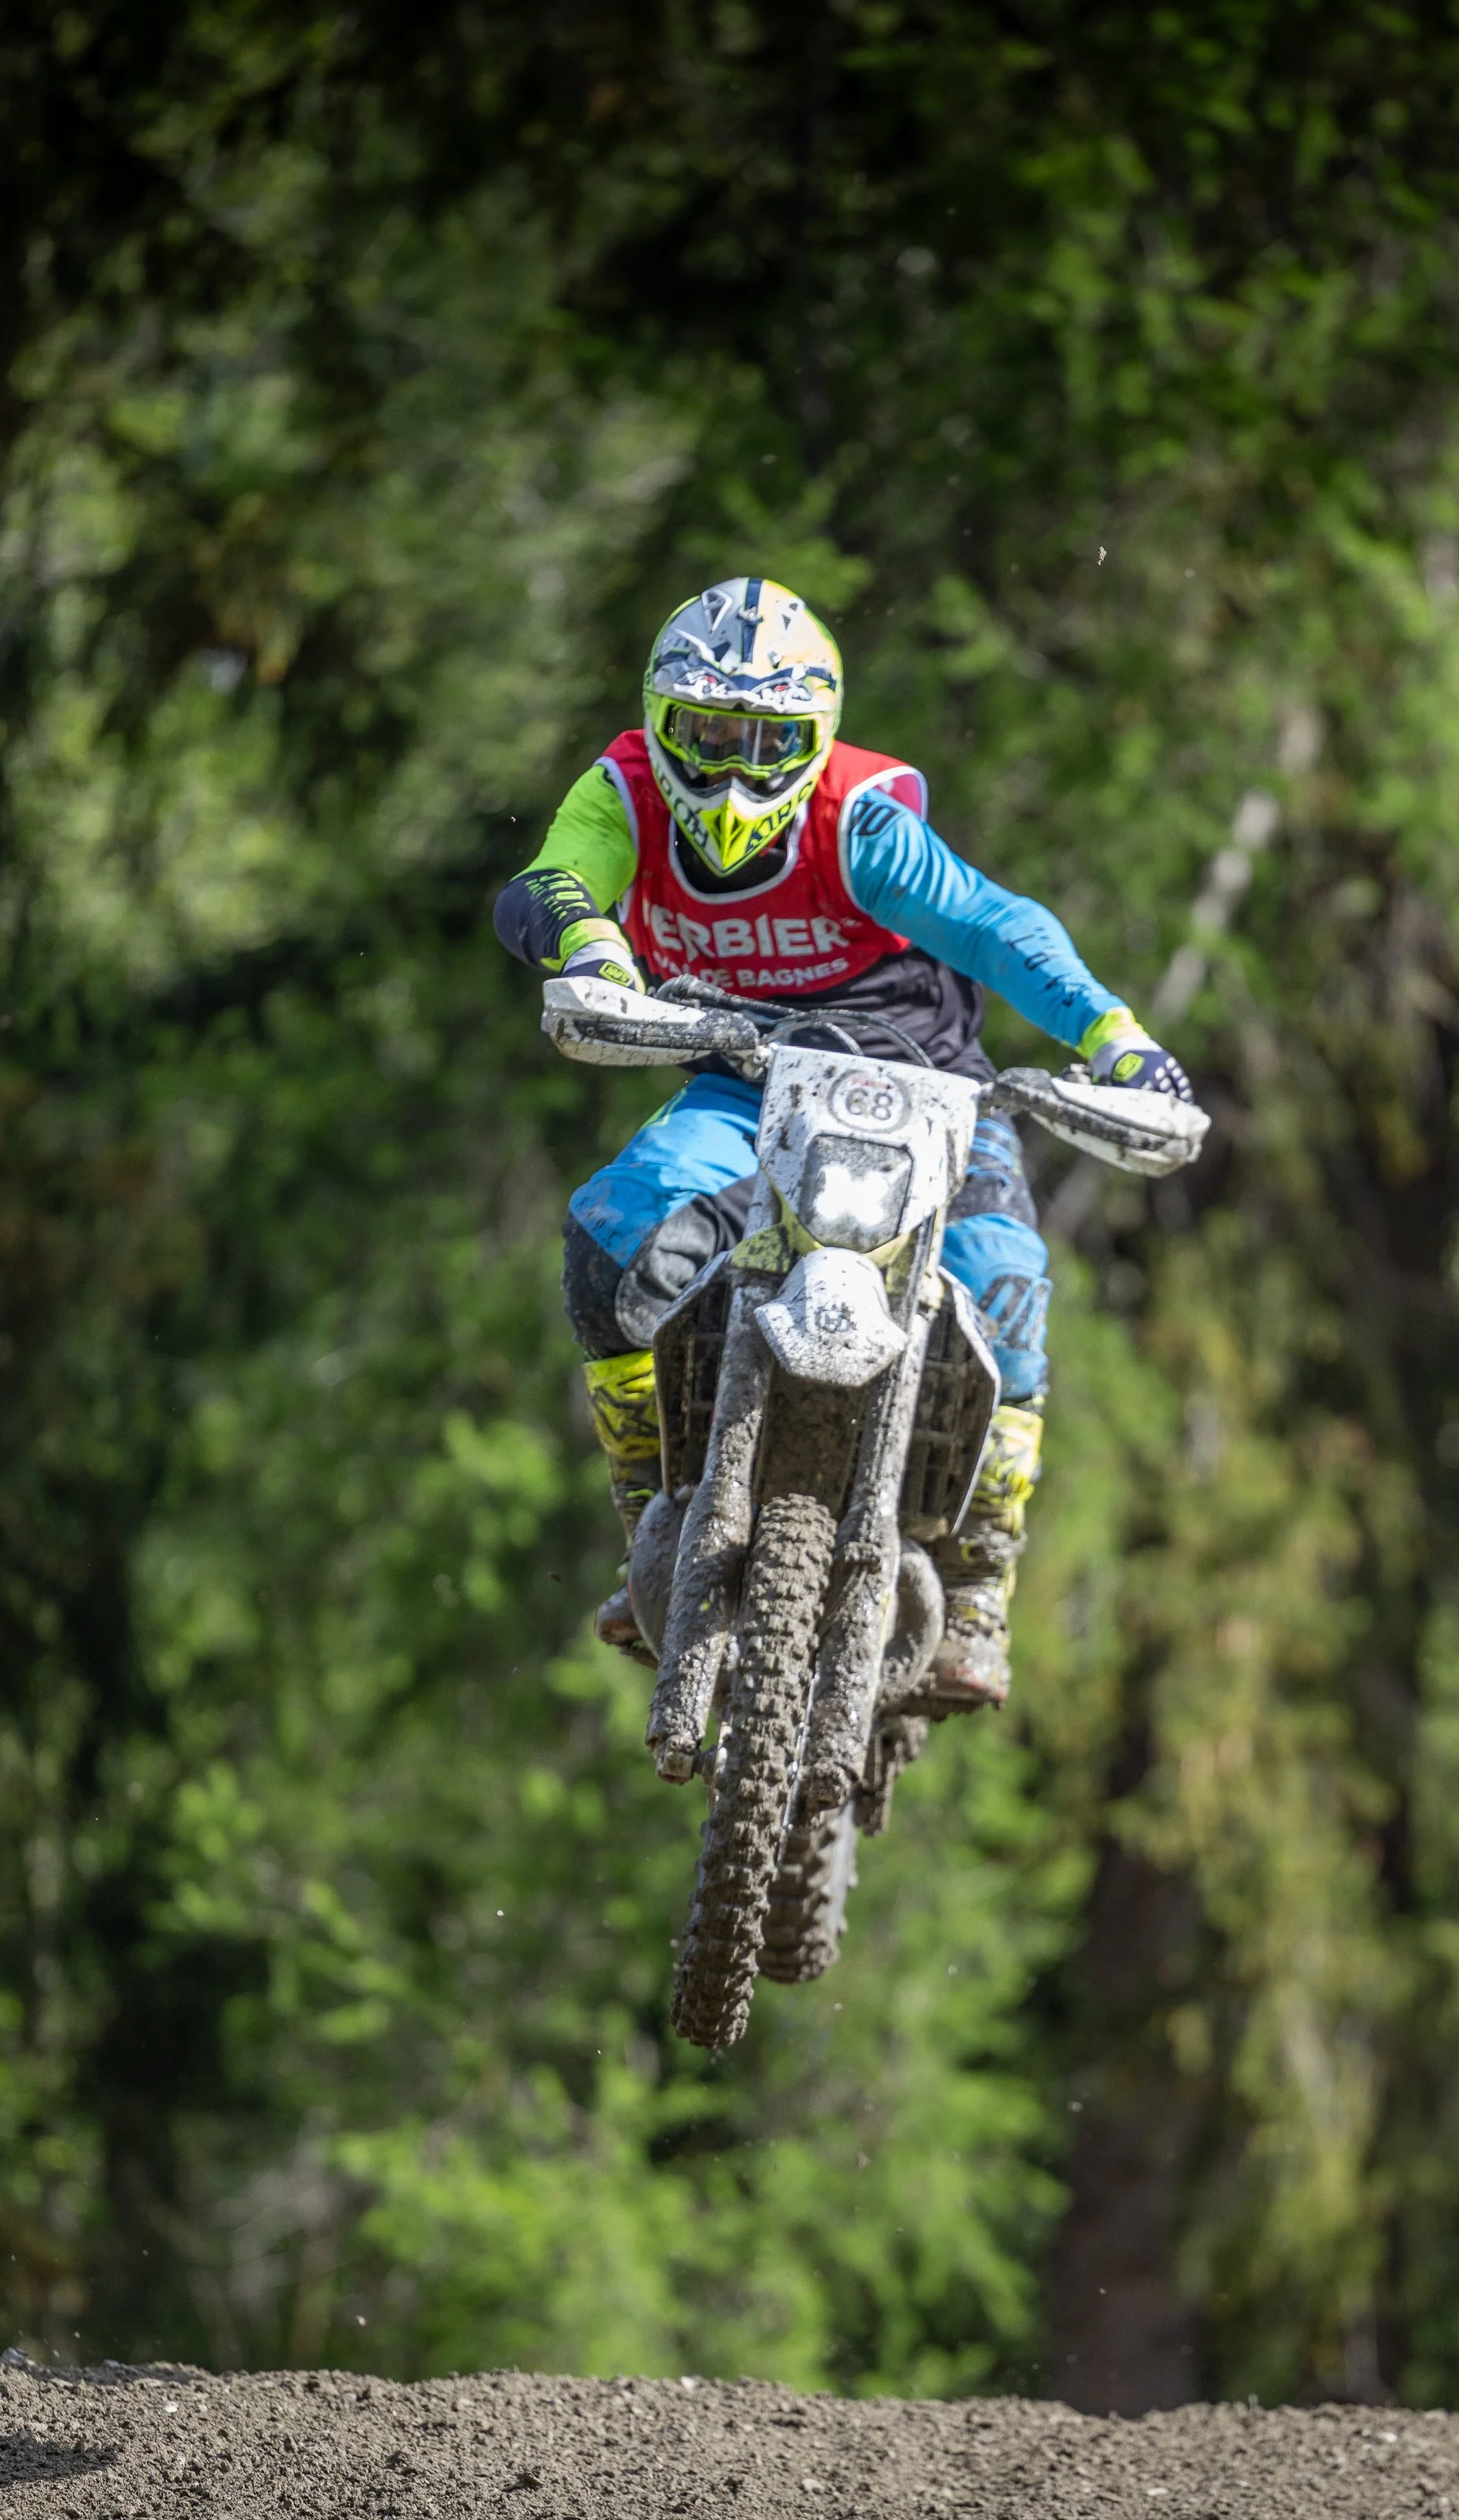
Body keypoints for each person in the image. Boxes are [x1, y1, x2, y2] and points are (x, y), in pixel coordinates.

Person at [494, 576, 1190, 1706]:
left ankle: (978, 1585)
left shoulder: (858, 824)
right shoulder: (625, 794)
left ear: (814, 740)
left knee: (1008, 1286)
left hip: (928, 1089)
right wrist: (588, 942)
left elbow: (998, 928)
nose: (729, 773)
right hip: (746, 1080)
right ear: (662, 723)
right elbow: (551, 878)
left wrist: (1116, 1037)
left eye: (765, 742)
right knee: (611, 1235)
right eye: (706, 736)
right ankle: (650, 1516)